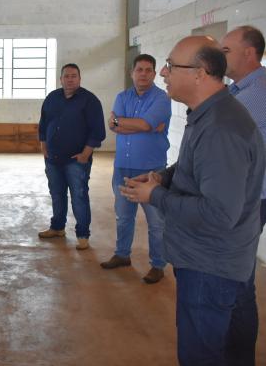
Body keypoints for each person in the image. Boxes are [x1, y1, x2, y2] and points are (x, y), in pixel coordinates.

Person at [121, 36, 265, 366]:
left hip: (210, 268)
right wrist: (162, 177)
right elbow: (194, 166)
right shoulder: (210, 114)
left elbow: (218, 213)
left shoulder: (220, 128)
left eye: (170, 66)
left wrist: (155, 195)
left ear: (199, 73)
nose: (163, 73)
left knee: (202, 355)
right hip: (220, 261)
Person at [100, 54, 171, 284]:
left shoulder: (162, 99)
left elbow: (138, 123)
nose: (144, 74)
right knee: (123, 217)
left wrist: (127, 123)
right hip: (123, 168)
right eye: (139, 69)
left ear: (154, 73)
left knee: (156, 222)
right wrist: (144, 126)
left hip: (152, 171)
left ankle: (158, 265)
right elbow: (115, 127)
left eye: (149, 70)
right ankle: (122, 255)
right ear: (132, 73)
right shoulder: (122, 97)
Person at [221, 25, 266, 365]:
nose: (220, 57)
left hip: (251, 198)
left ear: (248, 53)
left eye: (226, 50)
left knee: (237, 281)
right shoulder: (240, 90)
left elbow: (216, 129)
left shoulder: (256, 93)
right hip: (248, 194)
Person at [37, 63, 106, 250]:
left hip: (76, 160)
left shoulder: (89, 100)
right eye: (66, 76)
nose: (70, 79)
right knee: (57, 194)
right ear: (60, 79)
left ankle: (83, 235)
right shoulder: (52, 98)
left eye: (74, 76)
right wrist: (44, 145)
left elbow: (98, 131)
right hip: (53, 158)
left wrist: (85, 154)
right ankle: (57, 227)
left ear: (80, 79)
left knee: (79, 196)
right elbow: (43, 124)